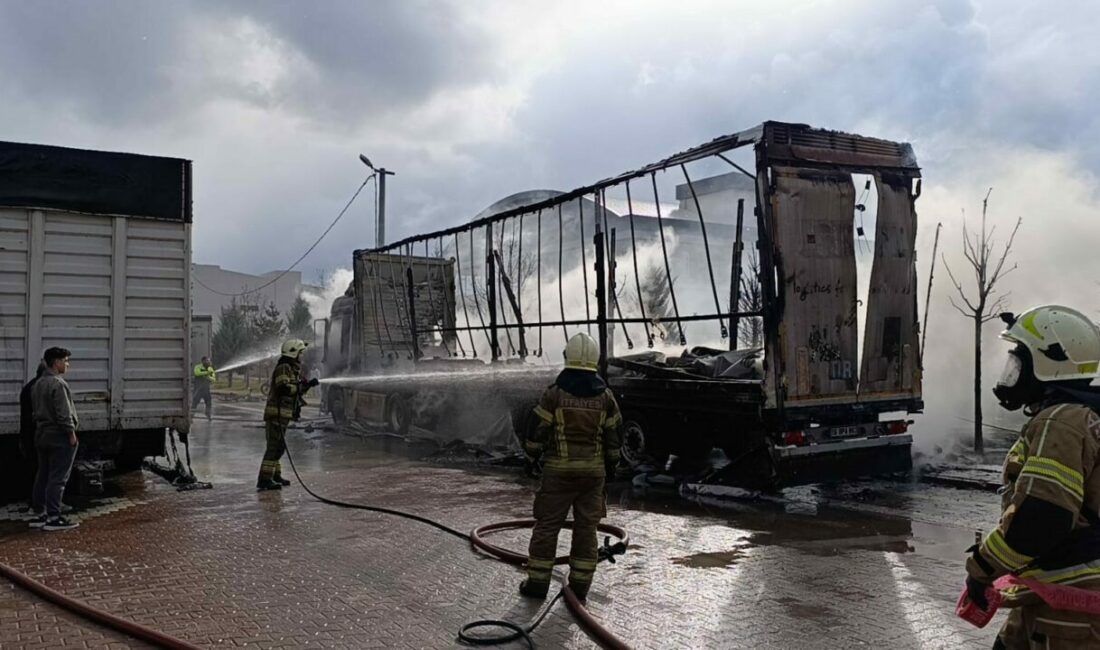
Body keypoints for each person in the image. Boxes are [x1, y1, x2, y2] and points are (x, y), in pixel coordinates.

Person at [963, 306, 1100, 649]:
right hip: (1051, 593)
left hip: (1072, 610)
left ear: (1050, 363)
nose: (1013, 374)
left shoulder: (1061, 423)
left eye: (1020, 364)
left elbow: (1042, 518)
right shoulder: (1082, 417)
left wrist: (981, 567)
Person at [520, 332, 622, 602]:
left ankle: (538, 584)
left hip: (558, 474)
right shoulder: (606, 398)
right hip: (592, 476)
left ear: (568, 357)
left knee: (547, 526)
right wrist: (611, 467)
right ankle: (579, 587)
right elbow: (614, 438)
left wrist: (530, 457)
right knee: (586, 529)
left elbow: (537, 430)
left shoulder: (554, 394)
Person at [257, 339, 318, 491]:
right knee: (273, 447)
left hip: (283, 415)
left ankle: (275, 475)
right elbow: (283, 388)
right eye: (300, 353)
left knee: (279, 446)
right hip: (276, 414)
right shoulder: (284, 367)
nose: (302, 356)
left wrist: (307, 385)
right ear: (294, 353)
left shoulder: (292, 368)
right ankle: (264, 480)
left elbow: (296, 390)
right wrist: (300, 387)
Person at [29, 347, 80, 531]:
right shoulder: (58, 384)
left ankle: (39, 514)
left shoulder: (37, 384)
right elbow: (63, 413)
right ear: (56, 362)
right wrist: (71, 433)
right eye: (65, 360)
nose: (67, 364)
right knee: (58, 477)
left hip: (41, 433)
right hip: (58, 436)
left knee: (42, 475)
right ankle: (54, 517)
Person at [19, 361, 46, 511]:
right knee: (42, 469)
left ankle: (34, 501)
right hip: (38, 434)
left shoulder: (28, 388)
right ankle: (40, 503)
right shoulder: (39, 388)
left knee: (33, 469)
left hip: (28, 433)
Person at [192, 356, 216, 421]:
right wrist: (206, 373)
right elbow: (197, 373)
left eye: (209, 361)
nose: (209, 362)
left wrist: (208, 377)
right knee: (194, 402)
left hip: (206, 389)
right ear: (203, 361)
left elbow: (214, 379)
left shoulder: (210, 369)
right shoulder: (198, 367)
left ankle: (208, 414)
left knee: (209, 402)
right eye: (207, 361)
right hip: (198, 389)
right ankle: (191, 416)